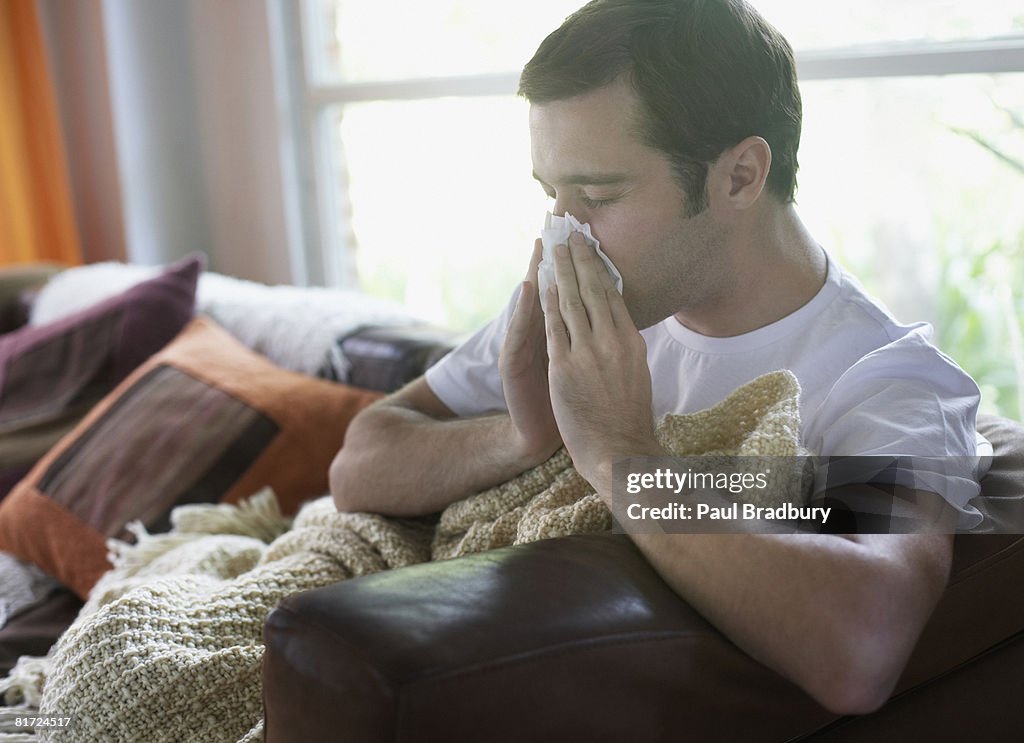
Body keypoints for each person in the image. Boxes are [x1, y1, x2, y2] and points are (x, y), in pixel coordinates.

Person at [330, 0, 983, 715]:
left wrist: (617, 457)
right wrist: (524, 434)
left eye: (599, 194)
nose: (561, 232)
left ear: (739, 176)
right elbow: (358, 466)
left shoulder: (883, 382)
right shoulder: (593, 294)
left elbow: (864, 645)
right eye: (552, 194)